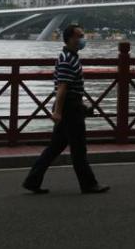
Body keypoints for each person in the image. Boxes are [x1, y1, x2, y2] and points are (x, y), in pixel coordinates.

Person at [22, 23, 109, 195]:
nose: (83, 39)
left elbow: (70, 88)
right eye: (79, 36)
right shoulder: (67, 59)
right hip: (69, 109)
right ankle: (88, 184)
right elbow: (62, 87)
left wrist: (81, 105)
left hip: (72, 106)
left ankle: (32, 181)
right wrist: (58, 112)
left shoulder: (72, 56)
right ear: (70, 39)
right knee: (79, 148)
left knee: (55, 147)